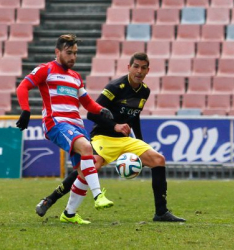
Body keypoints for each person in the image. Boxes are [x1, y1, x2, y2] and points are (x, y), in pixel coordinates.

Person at [36, 52, 186, 222]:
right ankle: (50, 199)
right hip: (103, 137)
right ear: (129, 68)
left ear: (148, 71)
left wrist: (140, 142)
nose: (139, 71)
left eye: (143, 68)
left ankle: (161, 212)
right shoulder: (115, 87)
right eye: (136, 66)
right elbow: (92, 115)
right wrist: (114, 125)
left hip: (125, 140)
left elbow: (134, 116)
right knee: (90, 166)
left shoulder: (145, 91)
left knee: (158, 159)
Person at [16, 34, 115, 225]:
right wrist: (26, 111)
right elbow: (23, 87)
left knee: (86, 170)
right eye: (69, 53)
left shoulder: (76, 77)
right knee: (87, 149)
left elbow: (87, 103)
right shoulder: (47, 70)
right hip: (56, 122)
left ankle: (69, 214)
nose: (73, 57)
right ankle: (98, 196)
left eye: (75, 53)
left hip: (76, 125)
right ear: (57, 52)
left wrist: (102, 110)